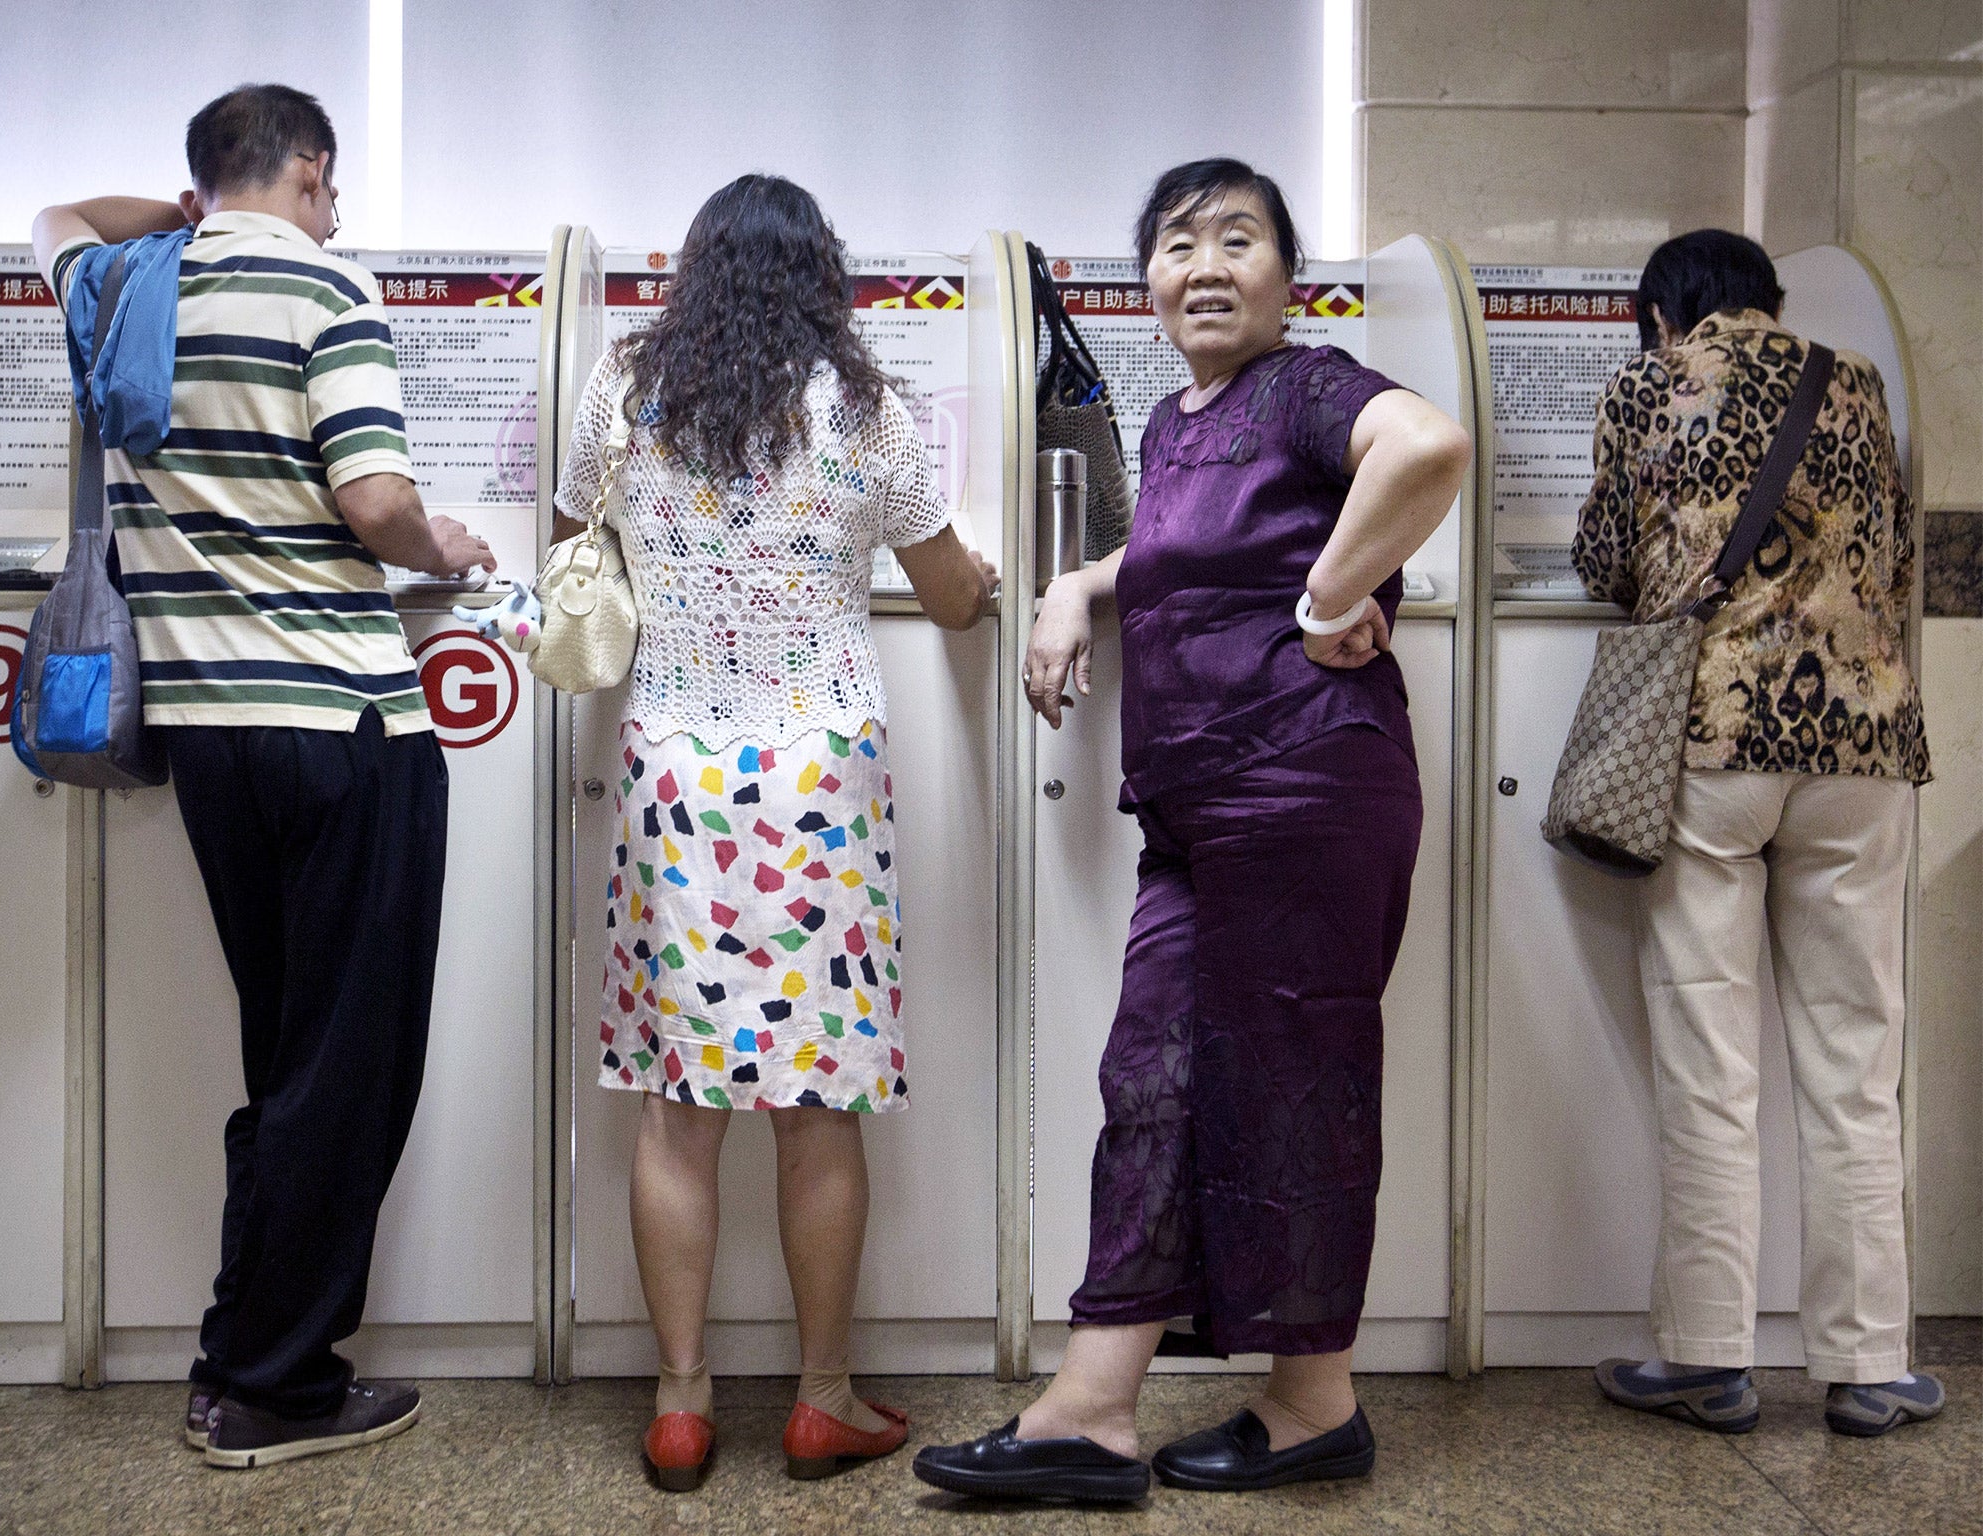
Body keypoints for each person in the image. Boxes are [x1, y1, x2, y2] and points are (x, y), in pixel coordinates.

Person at [914, 158, 1469, 1502]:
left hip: (1303, 788)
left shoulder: (1306, 385)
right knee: (1153, 1084)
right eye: (1179, 243)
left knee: (1292, 1082)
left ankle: (1311, 1401)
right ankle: (1096, 1410)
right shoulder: (1174, 420)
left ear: (1288, 275)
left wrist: (1333, 596)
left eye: (1240, 238)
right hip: (1197, 803)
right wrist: (1074, 590)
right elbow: (1173, 553)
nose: (1207, 262)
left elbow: (1430, 446)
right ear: (1149, 282)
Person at [32, 83, 494, 1469]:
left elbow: (52, 219)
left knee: (291, 1057)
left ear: (199, 180)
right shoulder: (328, 292)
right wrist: (449, 546)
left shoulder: (122, 286)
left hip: (211, 740)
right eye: (331, 188)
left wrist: (182, 214)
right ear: (310, 169)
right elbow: (374, 501)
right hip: (343, 730)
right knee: (348, 1068)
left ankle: (243, 1352)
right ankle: (271, 1386)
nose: (336, 211)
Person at [551, 174, 995, 1491]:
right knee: (817, 1107)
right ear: (824, 278)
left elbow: (576, 543)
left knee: (681, 1112)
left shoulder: (626, 395)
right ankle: (820, 1399)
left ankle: (682, 1408)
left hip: (676, 781)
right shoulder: (868, 412)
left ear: (692, 275)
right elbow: (954, 593)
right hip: (820, 788)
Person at [1577, 229, 1941, 1439]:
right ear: (1768, 302)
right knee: (1855, 1063)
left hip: (1714, 743)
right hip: (1859, 749)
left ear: (1655, 313)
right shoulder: (1854, 380)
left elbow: (1604, 561)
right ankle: (1867, 1366)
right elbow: (1889, 555)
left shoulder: (1647, 381)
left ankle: (1705, 1358)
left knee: (1708, 1059)